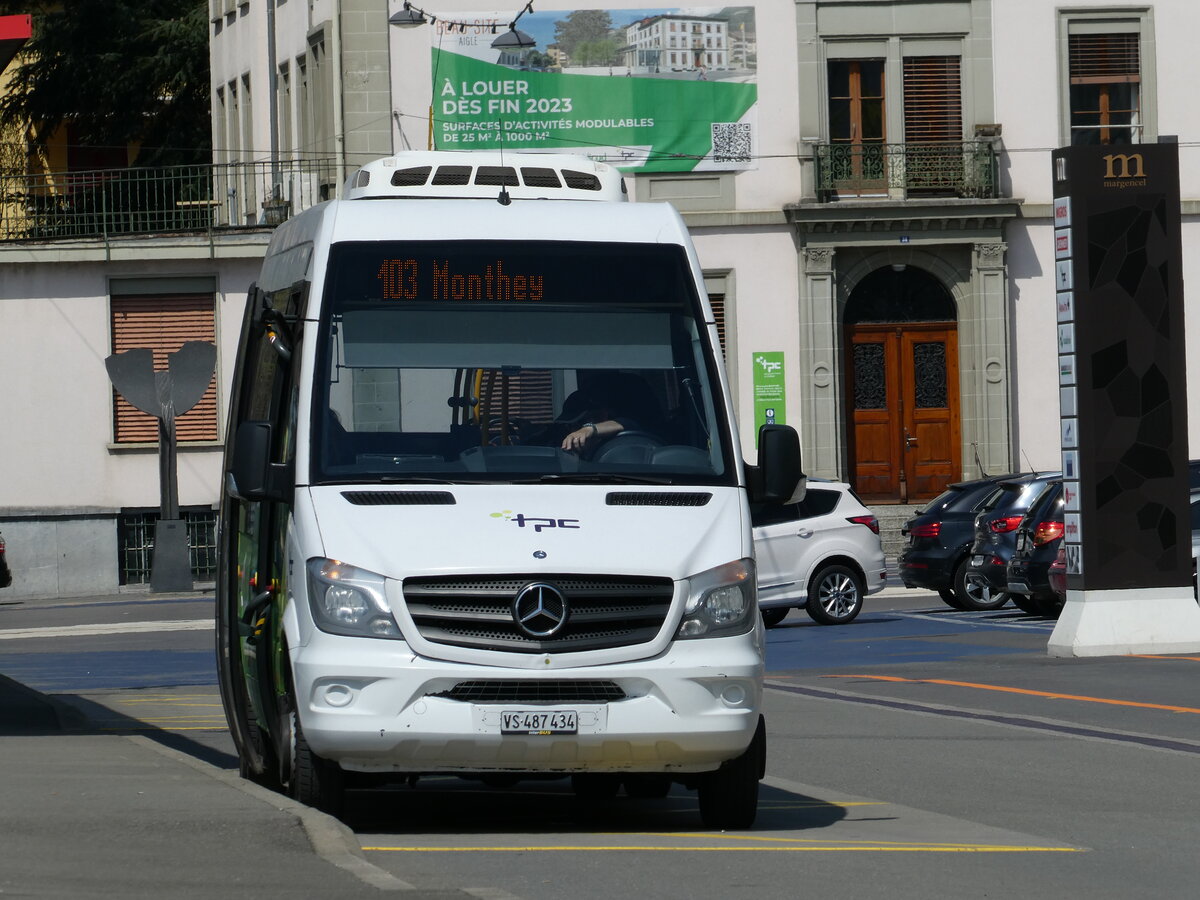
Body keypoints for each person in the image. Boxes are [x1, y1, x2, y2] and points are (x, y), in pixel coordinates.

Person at [557, 371, 660, 454]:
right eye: (569, 426)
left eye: (578, 424)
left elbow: (628, 422)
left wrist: (589, 429)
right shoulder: (570, 451)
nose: (573, 432)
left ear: (601, 415)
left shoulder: (635, 441)